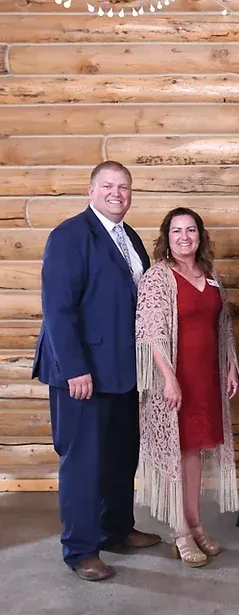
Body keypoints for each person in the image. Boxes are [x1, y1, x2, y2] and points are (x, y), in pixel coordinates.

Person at [32, 161, 160, 581]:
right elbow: (58, 309)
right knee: (84, 463)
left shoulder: (131, 238)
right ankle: (81, 549)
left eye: (124, 187)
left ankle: (116, 528)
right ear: (91, 191)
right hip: (81, 374)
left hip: (122, 372)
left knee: (121, 458)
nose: (117, 194)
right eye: (108, 186)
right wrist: (75, 369)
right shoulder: (70, 236)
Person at [135, 208, 239, 567]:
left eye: (191, 230)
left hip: (206, 378)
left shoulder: (210, 275)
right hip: (175, 380)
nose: (184, 237)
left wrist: (230, 366)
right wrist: (168, 377)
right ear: (167, 236)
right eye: (177, 231)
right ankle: (178, 532)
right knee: (175, 454)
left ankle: (195, 523)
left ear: (200, 235)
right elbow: (150, 334)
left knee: (194, 452)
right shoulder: (158, 277)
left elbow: (223, 324)